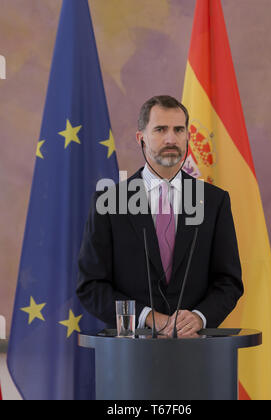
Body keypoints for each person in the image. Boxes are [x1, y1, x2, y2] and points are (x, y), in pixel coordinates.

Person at [76, 95, 243, 337]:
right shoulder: (110, 202)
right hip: (131, 354)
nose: (171, 138)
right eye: (160, 129)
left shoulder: (214, 202)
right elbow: (91, 286)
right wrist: (149, 318)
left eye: (178, 130)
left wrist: (198, 317)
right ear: (140, 137)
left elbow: (229, 282)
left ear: (187, 136)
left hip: (196, 352)